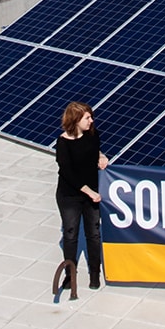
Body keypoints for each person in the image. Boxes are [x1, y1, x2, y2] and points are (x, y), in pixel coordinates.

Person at [56, 101, 110, 291]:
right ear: (76, 119)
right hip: (70, 195)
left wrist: (101, 157)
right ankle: (70, 275)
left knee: (94, 234)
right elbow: (68, 173)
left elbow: (94, 151)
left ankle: (95, 274)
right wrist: (89, 192)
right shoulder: (63, 143)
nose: (91, 121)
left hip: (91, 194)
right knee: (70, 234)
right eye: (87, 118)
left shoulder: (92, 135)